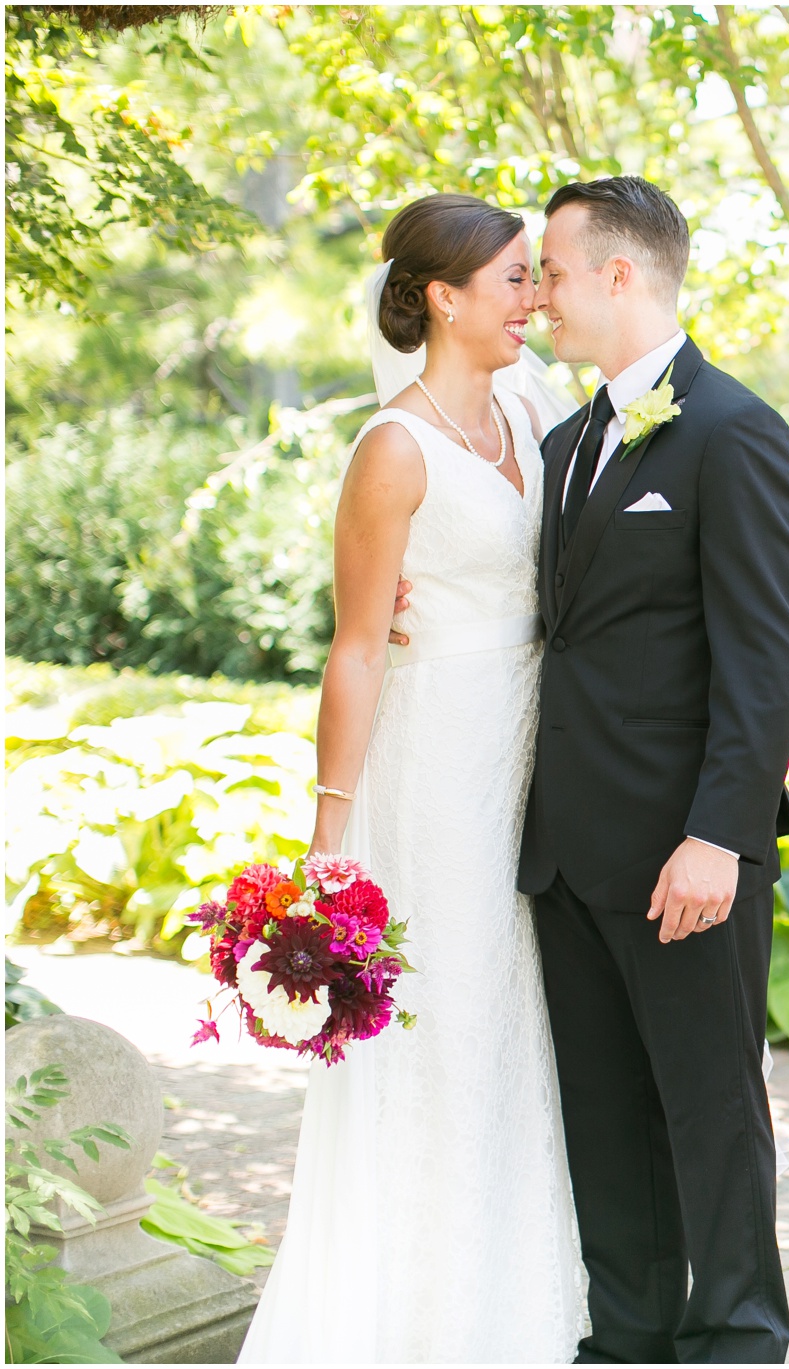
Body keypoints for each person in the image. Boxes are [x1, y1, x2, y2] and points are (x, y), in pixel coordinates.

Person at [240, 193, 586, 1361]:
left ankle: (522, 1294)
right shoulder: (391, 447)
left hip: (534, 743)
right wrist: (329, 838)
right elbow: (354, 643)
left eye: (537, 277)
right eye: (512, 279)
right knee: (445, 1020)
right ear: (444, 296)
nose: (532, 298)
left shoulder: (539, 405)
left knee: (517, 1014)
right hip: (432, 759)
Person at [517, 176, 789, 1364]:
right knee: (606, 1114)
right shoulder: (566, 438)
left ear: (619, 274)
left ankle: (736, 1337)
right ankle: (626, 1336)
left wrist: (720, 836)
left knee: (708, 1111)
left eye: (551, 270)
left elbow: (767, 658)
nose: (537, 295)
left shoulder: (736, 431)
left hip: (683, 851)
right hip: (569, 851)